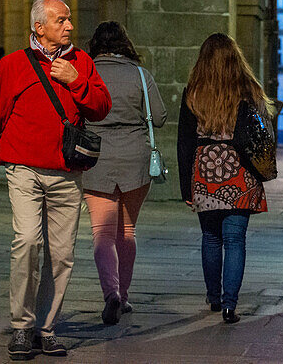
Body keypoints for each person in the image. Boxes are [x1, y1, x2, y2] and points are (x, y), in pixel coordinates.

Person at [0, 0, 111, 361]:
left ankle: (46, 329)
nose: (69, 26)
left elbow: (101, 107)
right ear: (39, 27)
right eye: (61, 20)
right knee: (28, 240)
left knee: (62, 254)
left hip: (67, 173)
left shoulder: (81, 62)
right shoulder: (13, 65)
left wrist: (76, 80)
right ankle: (21, 327)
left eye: (69, 19)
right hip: (24, 169)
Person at [176, 33, 269, 324]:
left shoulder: (194, 91)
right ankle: (230, 305)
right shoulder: (249, 90)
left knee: (211, 237)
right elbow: (263, 130)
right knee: (235, 240)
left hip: (206, 170)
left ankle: (214, 297)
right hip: (241, 170)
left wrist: (185, 186)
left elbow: (184, 142)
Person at [83, 21, 166, 326]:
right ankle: (125, 294)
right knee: (126, 231)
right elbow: (158, 118)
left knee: (102, 232)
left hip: (96, 157)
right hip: (135, 158)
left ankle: (110, 293)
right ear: (124, 44)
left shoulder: (86, 72)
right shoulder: (140, 75)